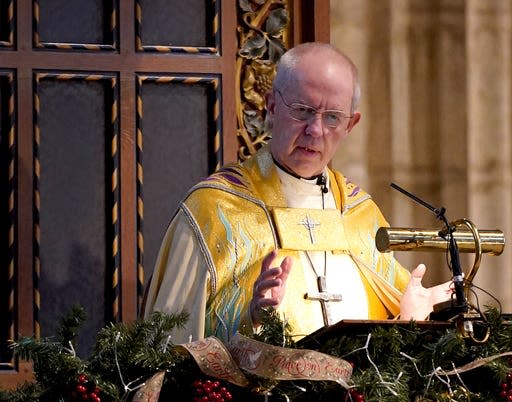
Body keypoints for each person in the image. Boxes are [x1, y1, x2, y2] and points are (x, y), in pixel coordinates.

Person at [144, 42, 454, 344]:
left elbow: (388, 345)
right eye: (303, 111)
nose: (315, 130)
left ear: (351, 125)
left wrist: (415, 315)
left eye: (332, 117)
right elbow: (168, 346)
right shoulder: (214, 209)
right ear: (272, 106)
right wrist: (249, 316)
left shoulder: (359, 213)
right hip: (261, 397)